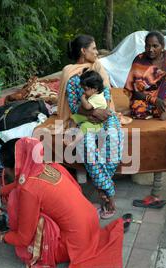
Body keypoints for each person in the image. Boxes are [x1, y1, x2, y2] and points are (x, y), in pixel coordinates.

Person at [0, 138, 124, 268]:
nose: (5, 173)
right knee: (22, 196)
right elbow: (17, 184)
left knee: (22, 207)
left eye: (5, 169)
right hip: (90, 224)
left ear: (12, 168)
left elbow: (23, 239)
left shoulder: (29, 189)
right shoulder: (46, 167)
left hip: (76, 243)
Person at [57, 34, 123, 219]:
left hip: (105, 114)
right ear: (83, 51)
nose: (96, 52)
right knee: (87, 146)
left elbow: (107, 95)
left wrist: (103, 112)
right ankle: (109, 195)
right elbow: (73, 105)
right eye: (93, 49)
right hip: (84, 118)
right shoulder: (71, 74)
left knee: (114, 139)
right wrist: (93, 114)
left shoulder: (98, 68)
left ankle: (104, 188)